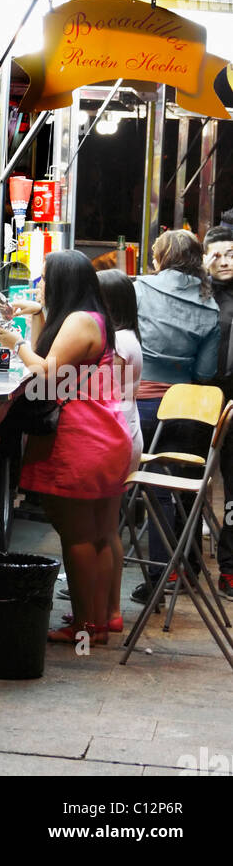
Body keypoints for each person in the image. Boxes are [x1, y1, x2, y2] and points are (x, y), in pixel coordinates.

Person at [0, 250, 132, 644]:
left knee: (75, 534)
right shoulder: (92, 316)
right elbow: (51, 354)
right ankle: (103, 619)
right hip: (107, 435)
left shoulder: (79, 322)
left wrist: (15, 340)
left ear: (62, 282)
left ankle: (86, 625)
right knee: (101, 531)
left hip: (82, 438)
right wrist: (37, 312)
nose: (39, 283)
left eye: (43, 278)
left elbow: (43, 370)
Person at [131, 229, 219, 604]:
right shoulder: (209, 304)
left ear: (162, 258)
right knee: (168, 491)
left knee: (139, 488)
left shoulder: (139, 288)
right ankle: (167, 572)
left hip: (141, 403)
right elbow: (206, 371)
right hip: (187, 409)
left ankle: (154, 573)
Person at [96, 269, 144, 632]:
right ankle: (108, 611)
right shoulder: (125, 337)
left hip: (117, 436)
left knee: (102, 528)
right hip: (124, 431)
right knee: (106, 526)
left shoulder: (120, 344)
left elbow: (91, 385)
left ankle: (106, 611)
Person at [203, 226, 233, 601]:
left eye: (231, 253)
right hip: (202, 394)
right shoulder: (198, 292)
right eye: (216, 255)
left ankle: (230, 568)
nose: (224, 262)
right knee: (194, 478)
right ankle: (184, 565)